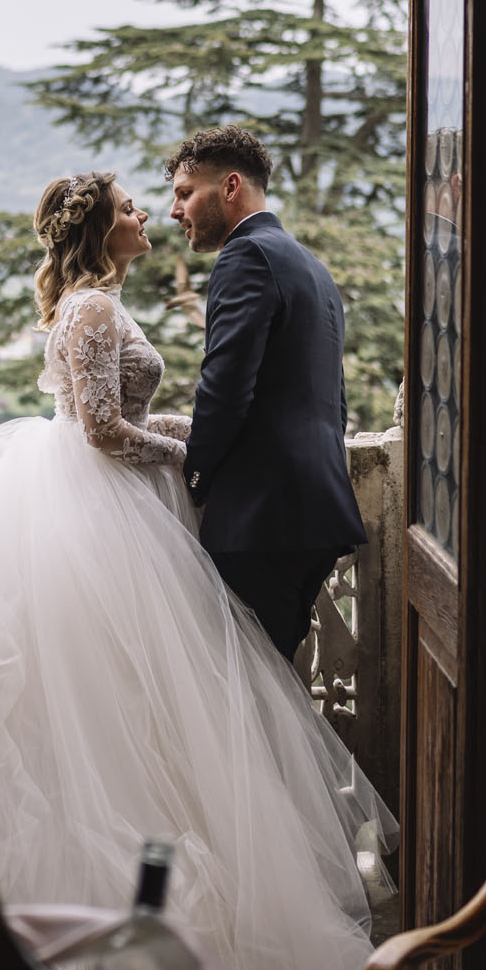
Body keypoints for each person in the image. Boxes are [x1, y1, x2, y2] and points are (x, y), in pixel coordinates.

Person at [0, 169, 396, 970]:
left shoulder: (97, 305)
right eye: (131, 208)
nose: (148, 214)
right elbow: (98, 431)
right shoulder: (92, 308)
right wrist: (188, 456)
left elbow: (118, 412)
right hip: (96, 513)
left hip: (112, 509)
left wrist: (177, 432)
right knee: (118, 710)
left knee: (145, 710)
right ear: (102, 229)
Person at [168, 127, 366, 661]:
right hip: (313, 512)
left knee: (242, 701)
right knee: (270, 698)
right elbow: (333, 402)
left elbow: (225, 388)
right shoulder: (309, 265)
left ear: (230, 187)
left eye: (185, 193)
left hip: (260, 520)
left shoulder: (246, 256)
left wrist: (195, 477)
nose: (174, 210)